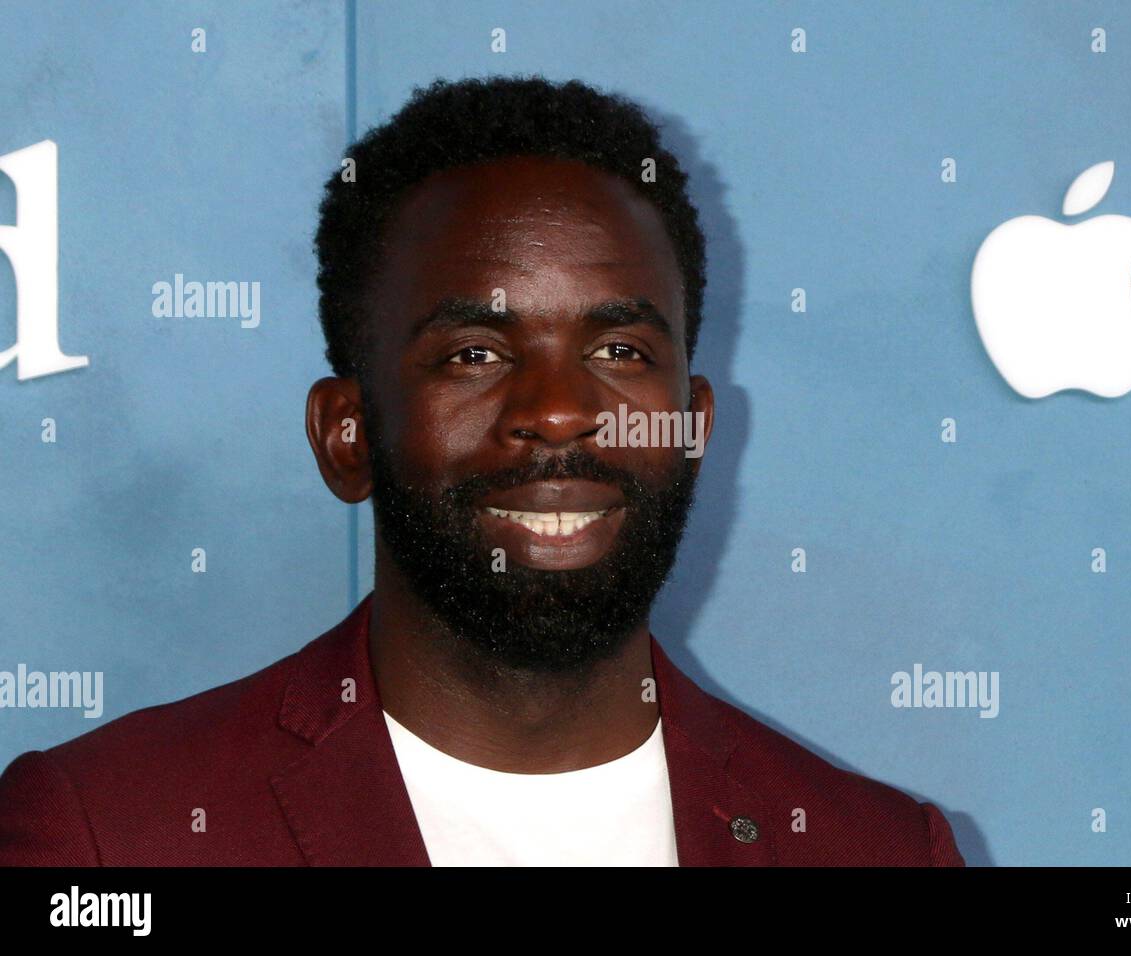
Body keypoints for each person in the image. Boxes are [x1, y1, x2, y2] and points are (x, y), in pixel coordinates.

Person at [0, 75, 964, 866]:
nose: (559, 411)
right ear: (347, 434)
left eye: (621, 351)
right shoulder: (110, 836)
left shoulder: (873, 848)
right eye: (476, 354)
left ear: (694, 426)